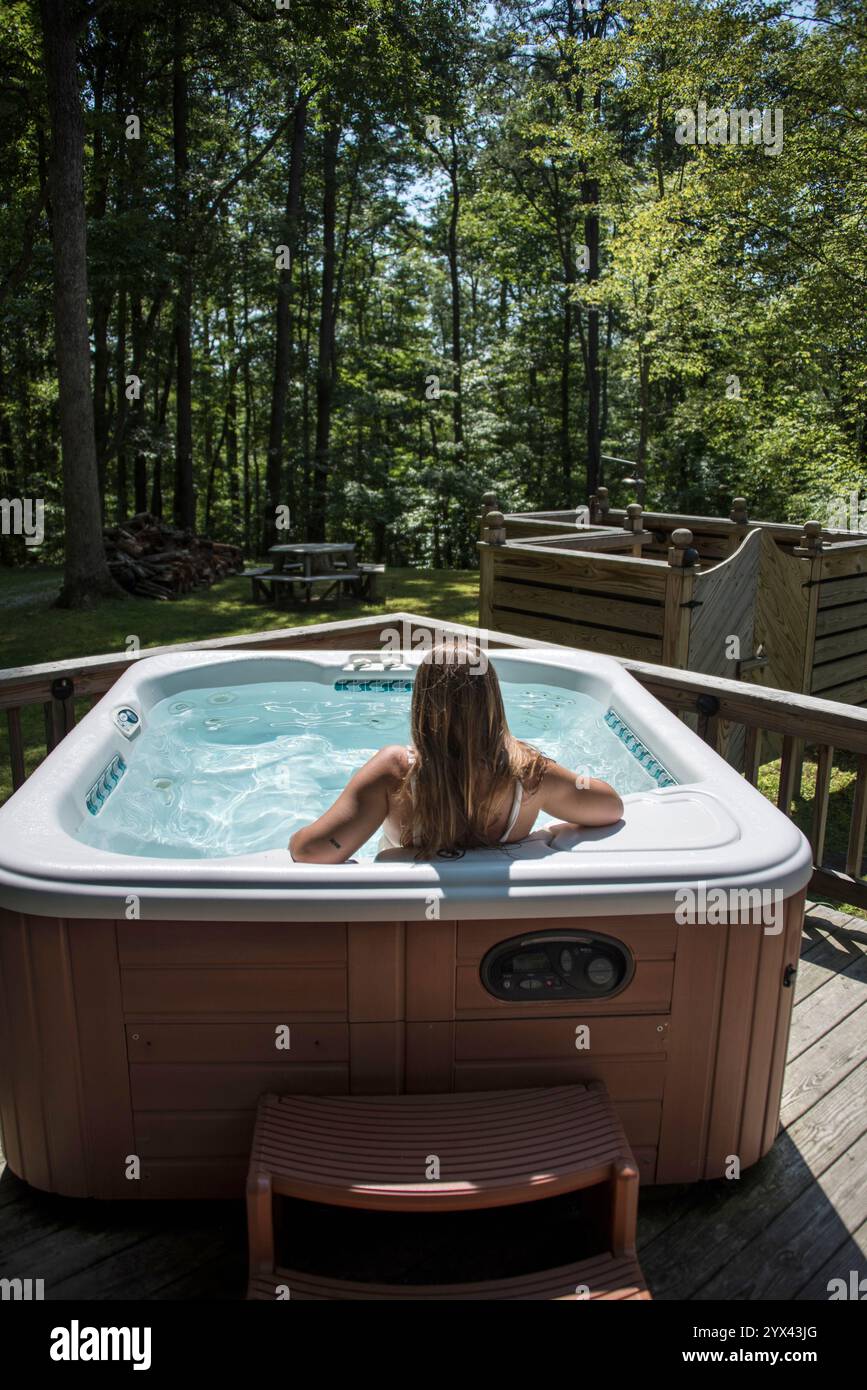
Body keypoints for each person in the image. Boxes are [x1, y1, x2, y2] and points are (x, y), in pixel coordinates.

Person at [289, 639, 623, 864]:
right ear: (492, 700)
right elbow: (609, 807)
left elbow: (311, 852)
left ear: (422, 702)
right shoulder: (529, 771)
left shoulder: (395, 770)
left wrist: (296, 838)